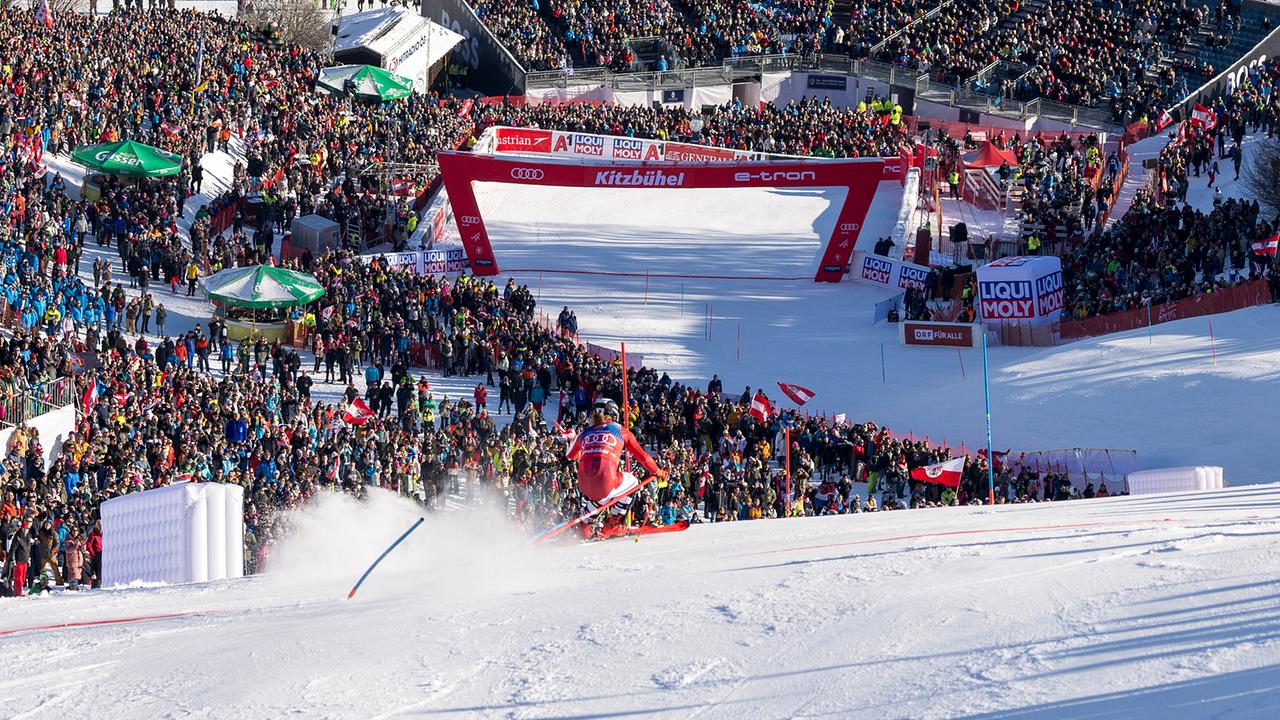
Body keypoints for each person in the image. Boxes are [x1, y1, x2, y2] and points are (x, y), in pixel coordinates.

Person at [566, 399, 666, 526]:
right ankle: (614, 520)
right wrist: (658, 471)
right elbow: (644, 458)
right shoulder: (619, 429)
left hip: (583, 483)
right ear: (613, 413)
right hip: (605, 481)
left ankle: (586, 521)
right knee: (633, 481)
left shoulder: (585, 432)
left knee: (603, 496)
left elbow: (571, 455)